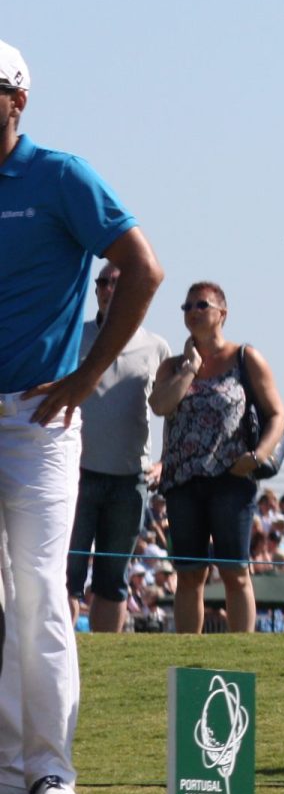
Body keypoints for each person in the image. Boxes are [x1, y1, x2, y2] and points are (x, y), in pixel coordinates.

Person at [0, 37, 165, 794]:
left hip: (38, 421)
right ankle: (6, 772)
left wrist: (89, 375)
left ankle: (51, 769)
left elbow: (144, 267)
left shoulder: (58, 176)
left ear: (17, 101)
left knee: (40, 590)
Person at [148, 281, 284, 635]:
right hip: (182, 481)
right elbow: (162, 406)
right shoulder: (173, 367)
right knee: (189, 573)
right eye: (187, 307)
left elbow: (277, 415)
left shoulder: (245, 358)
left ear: (222, 313)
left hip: (231, 478)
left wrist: (257, 456)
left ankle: (242, 648)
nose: (193, 312)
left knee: (235, 570)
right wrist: (191, 367)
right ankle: (188, 652)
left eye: (202, 305)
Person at [66, 263, 171, 635]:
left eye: (118, 282)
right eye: (103, 283)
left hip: (129, 481)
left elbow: (171, 409)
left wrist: (165, 460)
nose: (109, 288)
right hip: (74, 474)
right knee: (66, 577)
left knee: (113, 580)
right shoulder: (71, 338)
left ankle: (106, 661)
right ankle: (65, 660)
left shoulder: (157, 347)